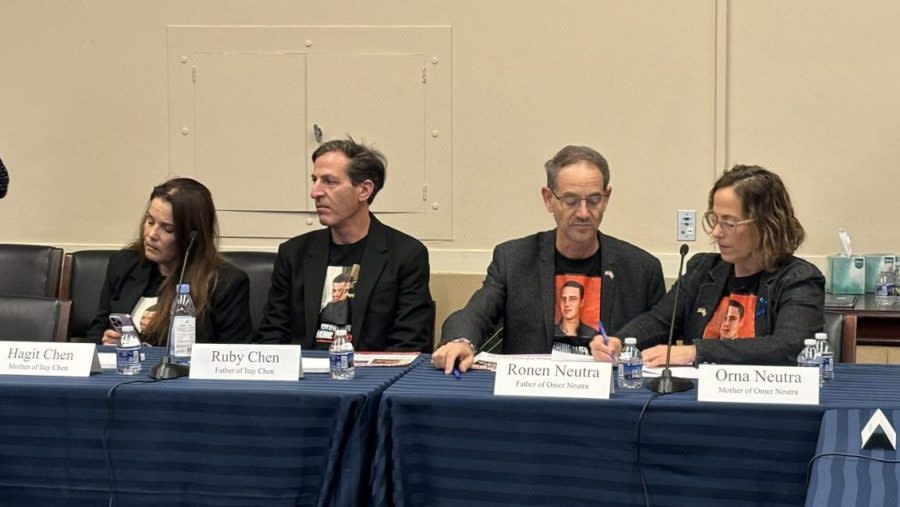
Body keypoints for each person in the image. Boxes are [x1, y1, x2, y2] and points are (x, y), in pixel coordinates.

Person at [433, 145, 665, 374]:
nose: (584, 213)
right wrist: (461, 340)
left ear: (607, 198)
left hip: (611, 400)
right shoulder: (514, 259)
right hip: (532, 395)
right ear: (548, 198)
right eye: (571, 201)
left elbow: (661, 337)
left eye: (594, 200)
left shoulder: (641, 269)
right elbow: (476, 313)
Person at [592, 164, 825, 366]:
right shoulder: (703, 269)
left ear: (767, 224)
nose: (716, 232)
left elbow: (789, 346)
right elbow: (660, 321)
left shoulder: (799, 279)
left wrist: (696, 352)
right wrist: (619, 341)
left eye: (729, 223)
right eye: (714, 219)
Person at [256, 137, 433, 351]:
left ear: (364, 190)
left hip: (370, 379)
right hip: (304, 379)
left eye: (330, 181)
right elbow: (272, 337)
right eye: (315, 180)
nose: (315, 192)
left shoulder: (406, 255)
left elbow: (409, 345)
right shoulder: (294, 254)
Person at [87, 178, 252, 345]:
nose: (151, 234)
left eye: (167, 229)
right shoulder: (124, 264)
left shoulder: (226, 283)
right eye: (150, 221)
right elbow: (96, 331)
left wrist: (168, 333)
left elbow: (231, 357)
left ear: (192, 237)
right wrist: (106, 342)